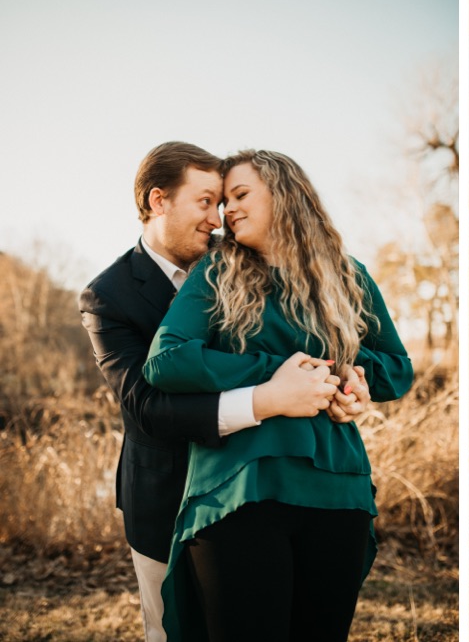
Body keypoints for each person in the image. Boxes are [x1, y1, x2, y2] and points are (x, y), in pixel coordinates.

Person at [78, 141, 366, 642]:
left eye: (224, 202)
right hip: (164, 493)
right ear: (158, 201)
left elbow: (318, 341)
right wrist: (270, 397)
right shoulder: (109, 295)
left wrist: (345, 379)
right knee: (169, 631)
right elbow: (146, 406)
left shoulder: (242, 261)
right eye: (205, 201)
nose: (219, 218)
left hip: (252, 491)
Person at [142, 148, 413, 641]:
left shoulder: (348, 274)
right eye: (224, 201)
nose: (228, 212)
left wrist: (350, 377)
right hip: (240, 492)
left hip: (339, 493)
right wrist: (277, 379)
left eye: (240, 195)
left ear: (285, 194)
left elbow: (396, 368)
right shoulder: (217, 273)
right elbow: (166, 360)